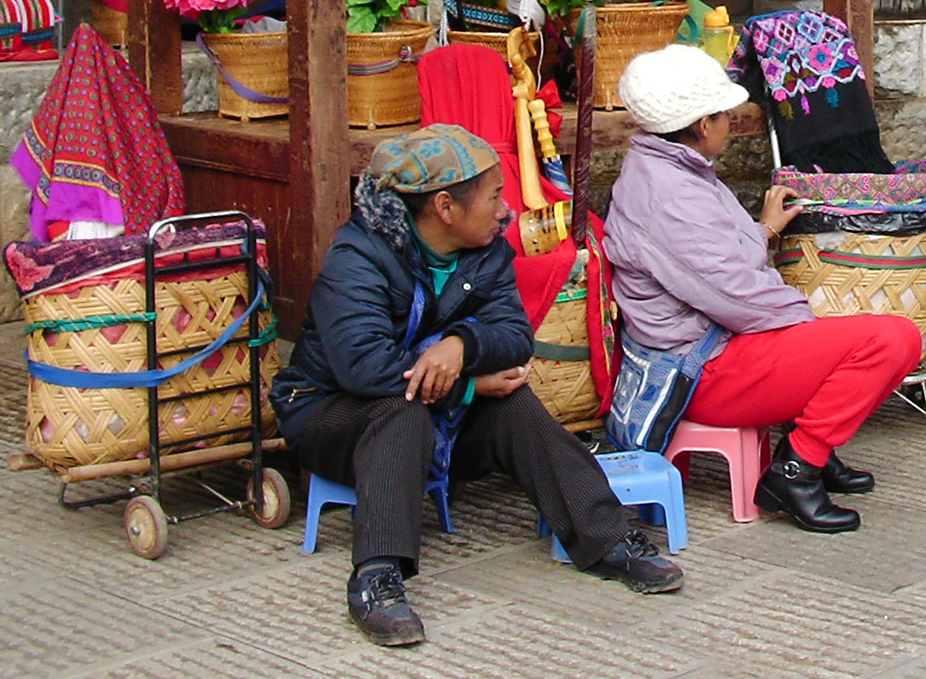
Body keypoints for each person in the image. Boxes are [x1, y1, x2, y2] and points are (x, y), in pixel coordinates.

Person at [271, 124, 681, 648]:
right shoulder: (358, 257)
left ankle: (608, 539)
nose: (504, 209)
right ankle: (376, 576)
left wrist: (461, 346)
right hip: (330, 414)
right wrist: (467, 388)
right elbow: (364, 369)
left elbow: (514, 336)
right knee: (400, 411)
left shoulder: (484, 252)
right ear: (445, 207)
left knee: (513, 403)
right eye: (492, 197)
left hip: (431, 416)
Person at [603, 44, 923, 534]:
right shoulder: (669, 194)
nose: (731, 124)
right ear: (703, 125)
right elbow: (735, 295)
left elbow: (717, 264)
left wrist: (765, 230)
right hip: (702, 368)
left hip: (714, 344)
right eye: (725, 116)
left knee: (835, 334)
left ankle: (811, 446)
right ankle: (797, 467)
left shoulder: (671, 169)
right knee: (892, 340)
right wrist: (804, 319)